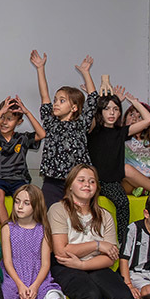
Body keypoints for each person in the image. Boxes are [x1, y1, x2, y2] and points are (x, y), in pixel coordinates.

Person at [48, 164, 134, 299]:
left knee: (123, 296)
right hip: (64, 265)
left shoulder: (104, 215)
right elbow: (61, 250)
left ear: (97, 187)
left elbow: (111, 256)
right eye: (81, 180)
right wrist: (97, 244)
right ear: (70, 185)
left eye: (92, 181)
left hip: (92, 266)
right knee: (89, 294)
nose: (87, 184)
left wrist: (84, 265)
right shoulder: (58, 210)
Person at [87, 87, 150, 246]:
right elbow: (92, 112)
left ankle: (123, 242)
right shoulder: (93, 130)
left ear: (119, 114)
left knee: (123, 204)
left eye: (116, 109)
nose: (111, 113)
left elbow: (148, 120)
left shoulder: (122, 131)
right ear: (100, 111)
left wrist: (134, 102)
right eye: (107, 109)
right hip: (94, 181)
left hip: (112, 182)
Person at [30, 50, 98, 207]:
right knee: (47, 213)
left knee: (76, 215)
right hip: (52, 180)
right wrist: (40, 69)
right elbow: (44, 96)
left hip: (76, 180)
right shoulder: (51, 122)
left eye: (61, 101)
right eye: (56, 100)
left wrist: (86, 73)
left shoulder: (81, 123)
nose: (56, 103)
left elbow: (93, 98)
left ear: (74, 107)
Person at [0, 95, 45, 225]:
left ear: (19, 122)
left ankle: (18, 226)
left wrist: (26, 112)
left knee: (26, 196)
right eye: (2, 118)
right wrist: (0, 112)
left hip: (19, 178)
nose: (4, 122)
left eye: (9, 119)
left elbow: (41, 134)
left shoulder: (23, 138)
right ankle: (7, 227)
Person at [123, 103, 150, 194]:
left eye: (140, 116)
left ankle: (144, 190)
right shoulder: (120, 135)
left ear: (147, 123)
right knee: (125, 169)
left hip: (149, 177)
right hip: (130, 180)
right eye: (131, 115)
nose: (135, 119)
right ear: (124, 119)